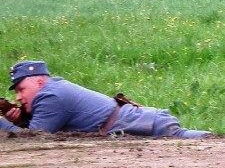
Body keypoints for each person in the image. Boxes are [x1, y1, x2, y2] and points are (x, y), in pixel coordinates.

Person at [0, 60, 212, 138]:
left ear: (38, 82)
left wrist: (3, 124)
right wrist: (17, 121)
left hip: (148, 125)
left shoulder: (50, 96)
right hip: (144, 121)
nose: (18, 97)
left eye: (21, 89)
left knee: (186, 140)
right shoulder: (53, 90)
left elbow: (36, 138)